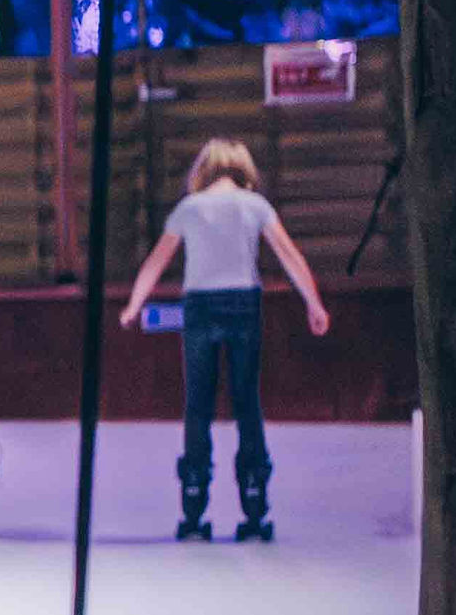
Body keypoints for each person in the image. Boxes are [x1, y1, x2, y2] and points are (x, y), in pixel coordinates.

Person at [116, 138, 332, 542]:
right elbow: (289, 256)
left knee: (197, 404)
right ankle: (254, 501)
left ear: (203, 169)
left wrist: (134, 305)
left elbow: (157, 261)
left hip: (200, 306)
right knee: (247, 402)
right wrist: (314, 304)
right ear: (243, 169)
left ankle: (193, 502)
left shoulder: (189, 209)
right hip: (244, 304)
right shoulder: (256, 206)